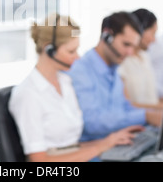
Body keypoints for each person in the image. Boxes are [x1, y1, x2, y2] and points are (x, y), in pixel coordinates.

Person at [8, 13, 145, 162]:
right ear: (49, 49)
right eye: (71, 51)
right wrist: (99, 147)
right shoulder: (29, 94)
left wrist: (110, 141)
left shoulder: (65, 82)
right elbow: (39, 161)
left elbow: (70, 146)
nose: (78, 57)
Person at [67, 11, 163, 143]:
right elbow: (91, 122)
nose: (130, 53)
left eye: (133, 47)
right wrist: (144, 116)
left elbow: (124, 107)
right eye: (126, 45)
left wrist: (155, 114)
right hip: (93, 150)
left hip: (118, 144)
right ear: (107, 36)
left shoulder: (115, 69)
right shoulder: (80, 71)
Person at [119, 8, 163, 110]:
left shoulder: (145, 56)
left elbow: (150, 97)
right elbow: (127, 105)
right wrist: (161, 107)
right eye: (152, 33)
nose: (154, 40)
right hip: (139, 121)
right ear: (140, 30)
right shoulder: (122, 61)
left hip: (154, 119)